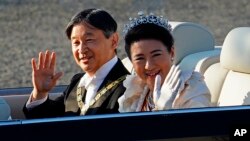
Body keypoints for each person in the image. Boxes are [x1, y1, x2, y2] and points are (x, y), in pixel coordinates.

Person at [23, 8, 130, 119]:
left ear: (114, 41)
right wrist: (40, 93)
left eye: (89, 40)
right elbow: (48, 121)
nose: (81, 50)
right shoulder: (77, 82)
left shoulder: (129, 87)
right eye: (76, 43)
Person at [118, 11, 211, 112]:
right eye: (140, 58)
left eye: (156, 55)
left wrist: (165, 112)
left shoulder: (192, 88)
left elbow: (199, 126)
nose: (149, 66)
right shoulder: (135, 90)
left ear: (171, 53)